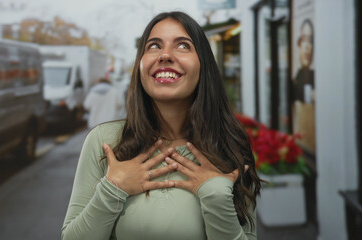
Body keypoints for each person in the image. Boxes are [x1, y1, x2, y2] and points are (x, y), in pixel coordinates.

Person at [62, 11, 262, 240]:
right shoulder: (105, 141)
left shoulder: (230, 143)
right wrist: (112, 189)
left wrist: (217, 200)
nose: (165, 55)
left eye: (183, 46)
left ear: (203, 65)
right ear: (140, 65)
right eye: (154, 46)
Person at [292, 19, 316, 152]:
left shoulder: (314, 76)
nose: (307, 46)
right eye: (304, 40)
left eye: (311, 41)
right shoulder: (298, 76)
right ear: (299, 44)